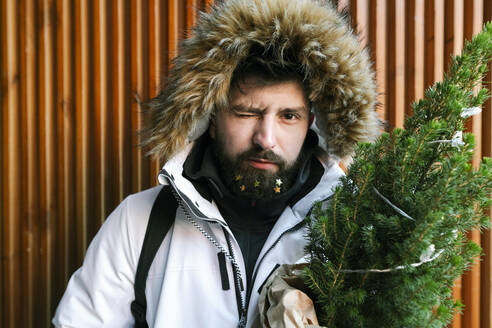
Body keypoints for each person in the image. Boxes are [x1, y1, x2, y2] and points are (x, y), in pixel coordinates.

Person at [52, 0, 379, 327]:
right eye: (247, 112)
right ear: (210, 117)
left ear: (311, 123)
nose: (265, 138)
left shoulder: (355, 230)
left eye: (288, 116)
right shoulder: (138, 223)